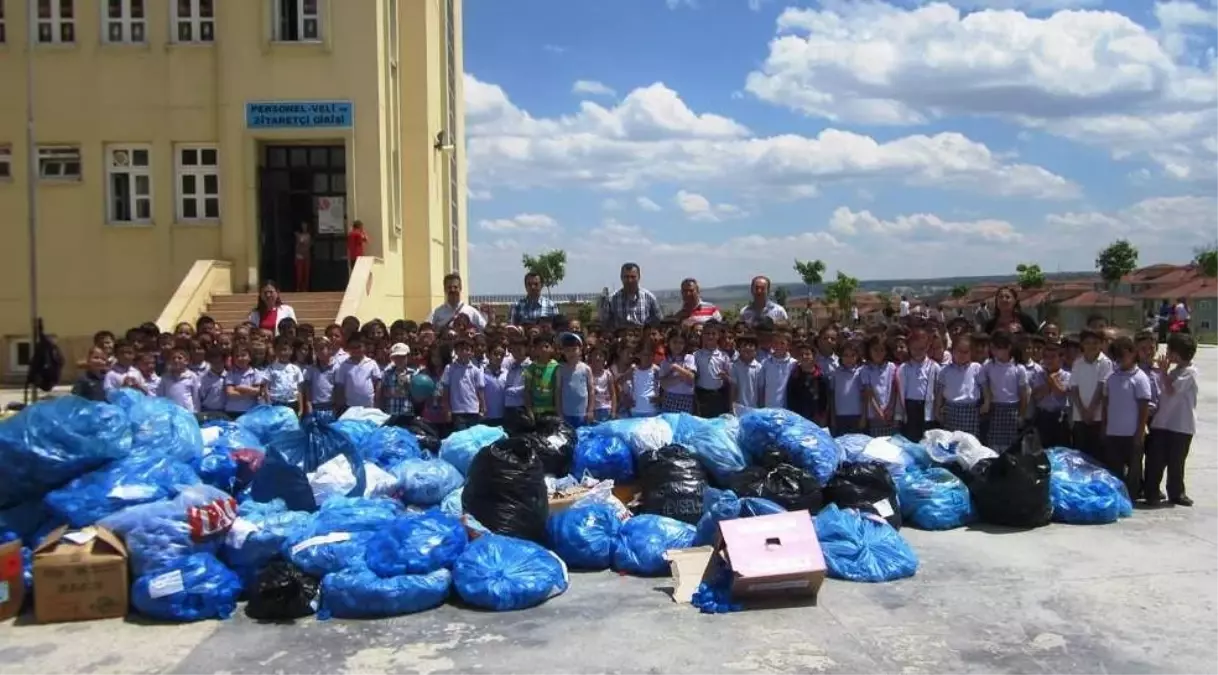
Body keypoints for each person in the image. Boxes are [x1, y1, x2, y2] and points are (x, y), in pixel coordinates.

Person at [1145, 333, 1197, 507]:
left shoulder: (1189, 372)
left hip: (1181, 425)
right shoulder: (1173, 372)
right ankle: (1151, 491)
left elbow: (1172, 390)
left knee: (1176, 462)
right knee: (1156, 460)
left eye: (1169, 351)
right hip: (1162, 423)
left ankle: (1176, 492)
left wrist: (1163, 373)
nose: (1166, 354)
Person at [1101, 336, 1152, 500]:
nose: (1120, 360)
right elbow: (1106, 404)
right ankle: (1118, 495)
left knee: (1134, 468)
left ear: (1132, 353)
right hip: (1114, 432)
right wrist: (1105, 426)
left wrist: (1139, 432)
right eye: (1117, 357)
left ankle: (1133, 494)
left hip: (1132, 433)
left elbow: (1144, 407)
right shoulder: (1111, 378)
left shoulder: (1140, 377)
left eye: (1123, 356)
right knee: (1114, 467)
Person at [980, 330, 1028, 452]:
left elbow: (1024, 394)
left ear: (1008, 348)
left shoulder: (1019, 369)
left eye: (998, 348)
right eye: (993, 348)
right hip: (995, 409)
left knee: (1010, 446)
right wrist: (987, 400)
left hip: (1012, 410)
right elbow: (983, 383)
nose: (994, 351)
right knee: (993, 446)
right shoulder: (988, 365)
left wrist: (1021, 415)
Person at [1069, 328, 1112, 462]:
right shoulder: (1077, 363)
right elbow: (1074, 389)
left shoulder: (1105, 362)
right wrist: (1082, 411)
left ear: (1100, 344)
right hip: (1080, 417)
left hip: (1098, 417)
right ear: (1082, 345)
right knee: (1081, 456)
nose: (1091, 346)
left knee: (1097, 456)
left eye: (1095, 342)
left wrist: (1091, 411)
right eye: (1087, 342)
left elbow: (1101, 388)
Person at [935, 334, 983, 438]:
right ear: (952, 351)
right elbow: (940, 393)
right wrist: (937, 409)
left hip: (971, 410)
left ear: (971, 353)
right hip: (951, 410)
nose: (962, 355)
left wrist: (987, 402)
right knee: (951, 440)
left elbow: (985, 388)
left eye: (966, 352)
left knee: (970, 441)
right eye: (959, 351)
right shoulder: (945, 371)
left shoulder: (976, 368)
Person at [898, 328, 940, 442]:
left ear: (927, 347)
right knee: (911, 438)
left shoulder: (934, 366)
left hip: (927, 406)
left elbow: (938, 390)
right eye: (914, 349)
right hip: (910, 406)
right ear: (909, 348)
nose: (918, 352)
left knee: (927, 438)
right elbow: (901, 391)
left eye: (921, 348)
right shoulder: (904, 367)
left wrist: (937, 409)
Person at [1032, 340, 1071, 449]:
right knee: (1043, 447)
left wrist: (1052, 381)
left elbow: (1061, 393)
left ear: (1061, 358)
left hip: (1060, 417)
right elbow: (1037, 395)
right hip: (1043, 416)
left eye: (1053, 357)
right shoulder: (1040, 374)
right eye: (1046, 357)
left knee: (1061, 447)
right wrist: (1050, 383)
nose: (1049, 360)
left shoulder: (1067, 375)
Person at [599, 263, 663, 330]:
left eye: (633, 277)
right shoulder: (611, 299)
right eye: (626, 277)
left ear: (639, 277)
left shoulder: (649, 298)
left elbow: (658, 319)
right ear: (621, 277)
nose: (629, 281)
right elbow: (605, 323)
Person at [440, 338, 485, 432]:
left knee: (473, 436)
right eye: (461, 349)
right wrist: (447, 409)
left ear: (471, 352)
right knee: (462, 436)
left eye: (467, 349)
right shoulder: (449, 368)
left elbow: (480, 390)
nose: (464, 352)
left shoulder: (476, 370)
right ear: (456, 351)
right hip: (457, 411)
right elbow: (446, 391)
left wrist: (483, 407)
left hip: (473, 410)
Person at [862, 334, 899, 437]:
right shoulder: (865, 369)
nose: (878, 353)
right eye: (875, 350)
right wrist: (878, 412)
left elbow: (894, 390)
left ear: (886, 351)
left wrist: (890, 408)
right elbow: (869, 392)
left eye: (882, 350)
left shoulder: (891, 367)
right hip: (874, 414)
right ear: (869, 350)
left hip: (890, 413)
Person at [334, 335, 382, 413]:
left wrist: (377, 400)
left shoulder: (371, 363)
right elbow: (340, 386)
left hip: (369, 405)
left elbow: (378, 382)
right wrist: (340, 404)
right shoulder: (344, 365)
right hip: (350, 406)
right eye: (353, 347)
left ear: (365, 347)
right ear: (348, 349)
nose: (356, 350)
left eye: (359, 347)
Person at [786, 341, 829, 426]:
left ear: (813, 356)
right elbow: (790, 399)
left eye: (807, 354)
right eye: (801, 354)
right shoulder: (794, 376)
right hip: (798, 420)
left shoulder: (821, 376)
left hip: (816, 420)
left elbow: (825, 400)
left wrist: (823, 419)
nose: (804, 357)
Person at [556, 333, 594, 427]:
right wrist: (559, 412)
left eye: (574, 349)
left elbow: (591, 390)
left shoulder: (586, 369)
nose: (571, 353)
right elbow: (558, 392)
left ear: (580, 351)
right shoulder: (560, 369)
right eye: (567, 350)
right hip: (566, 414)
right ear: (563, 352)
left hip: (582, 413)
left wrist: (590, 410)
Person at [693, 322, 730, 417]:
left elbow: (731, 378)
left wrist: (725, 376)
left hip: (718, 395)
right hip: (701, 394)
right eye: (707, 333)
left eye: (713, 333)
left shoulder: (723, 356)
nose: (710, 336)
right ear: (702, 335)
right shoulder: (696, 355)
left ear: (718, 336)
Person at [830, 339, 866, 435]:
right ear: (840, 356)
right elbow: (832, 396)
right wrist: (833, 417)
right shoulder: (836, 373)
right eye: (845, 355)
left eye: (852, 355)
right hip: (840, 416)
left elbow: (864, 397)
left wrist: (863, 416)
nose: (849, 358)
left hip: (856, 415)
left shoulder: (860, 372)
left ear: (857, 357)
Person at [659, 329, 697, 413]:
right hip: (669, 399)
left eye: (681, 343)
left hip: (686, 399)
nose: (678, 345)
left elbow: (691, 378)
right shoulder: (665, 362)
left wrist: (677, 368)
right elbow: (664, 385)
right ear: (669, 343)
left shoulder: (689, 358)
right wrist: (682, 375)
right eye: (675, 342)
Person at [523, 334, 560, 421]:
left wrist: (558, 411)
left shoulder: (556, 367)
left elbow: (558, 391)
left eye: (546, 346)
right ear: (535, 350)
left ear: (552, 349)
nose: (543, 349)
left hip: (552, 410)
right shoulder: (531, 368)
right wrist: (529, 410)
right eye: (540, 347)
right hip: (536, 411)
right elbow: (527, 391)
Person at [224, 346, 266, 418]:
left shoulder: (255, 372)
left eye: (243, 355)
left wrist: (240, 388)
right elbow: (230, 392)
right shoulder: (231, 373)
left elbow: (257, 391)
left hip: (250, 410)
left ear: (250, 357)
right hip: (233, 410)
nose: (240, 358)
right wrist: (250, 392)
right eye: (237, 356)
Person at [265, 336, 304, 413]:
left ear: (291, 350)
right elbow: (266, 388)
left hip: (292, 404)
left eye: (285, 350)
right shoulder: (271, 368)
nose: (283, 353)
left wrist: (301, 409)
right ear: (275, 351)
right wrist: (269, 404)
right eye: (279, 350)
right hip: (276, 403)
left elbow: (299, 390)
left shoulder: (295, 369)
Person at [303, 338, 339, 421]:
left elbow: (337, 389)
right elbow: (308, 388)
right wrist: (309, 405)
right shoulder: (311, 369)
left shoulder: (336, 367)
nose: (319, 352)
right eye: (316, 349)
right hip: (315, 407)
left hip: (331, 407)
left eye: (322, 348)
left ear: (330, 349)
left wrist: (336, 407)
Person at [759, 331, 797, 408]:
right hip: (768, 408)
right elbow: (761, 387)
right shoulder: (765, 363)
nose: (779, 346)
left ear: (788, 346)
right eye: (776, 343)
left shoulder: (794, 364)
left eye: (782, 343)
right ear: (772, 344)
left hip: (787, 409)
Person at [156, 347, 201, 413]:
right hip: (170, 411)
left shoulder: (192, 376)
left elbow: (196, 397)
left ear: (186, 361)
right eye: (173, 358)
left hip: (187, 411)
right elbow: (161, 396)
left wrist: (196, 411)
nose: (176, 360)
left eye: (180, 358)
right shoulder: (165, 377)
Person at [379, 343, 415, 421]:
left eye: (402, 357)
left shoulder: (413, 374)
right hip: (390, 413)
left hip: (407, 414)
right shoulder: (387, 373)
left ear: (408, 357)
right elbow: (383, 392)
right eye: (396, 357)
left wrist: (407, 387)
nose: (399, 360)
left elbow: (416, 396)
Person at [728, 334, 763, 410]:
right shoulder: (733, 366)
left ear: (756, 350)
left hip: (754, 408)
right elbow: (733, 388)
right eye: (744, 345)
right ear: (738, 349)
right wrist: (732, 408)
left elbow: (760, 390)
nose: (747, 348)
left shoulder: (759, 367)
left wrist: (761, 408)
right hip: (738, 408)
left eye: (751, 345)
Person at [197, 347, 228, 421]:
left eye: (219, 362)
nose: (217, 365)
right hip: (207, 411)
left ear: (224, 362)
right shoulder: (203, 378)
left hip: (225, 412)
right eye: (214, 363)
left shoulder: (229, 376)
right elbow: (199, 396)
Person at [588, 347, 617, 422]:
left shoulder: (607, 374)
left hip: (606, 408)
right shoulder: (587, 373)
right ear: (591, 357)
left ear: (604, 359)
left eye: (600, 356)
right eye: (595, 355)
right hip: (592, 410)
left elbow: (613, 394)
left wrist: (613, 411)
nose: (597, 358)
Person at [295, 220, 312, 291]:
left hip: (306, 256)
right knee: (299, 274)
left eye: (305, 226)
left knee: (306, 273)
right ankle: (298, 287)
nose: (304, 227)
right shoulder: (298, 235)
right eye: (303, 226)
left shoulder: (308, 236)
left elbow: (309, 245)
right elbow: (296, 246)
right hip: (299, 256)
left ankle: (305, 288)